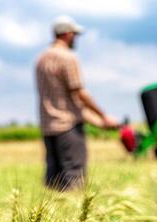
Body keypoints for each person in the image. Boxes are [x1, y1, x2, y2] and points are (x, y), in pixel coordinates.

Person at [35, 15, 118, 191]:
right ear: (66, 34)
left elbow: (61, 99)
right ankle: (72, 217)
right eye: (75, 34)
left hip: (48, 127)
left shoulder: (40, 60)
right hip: (68, 128)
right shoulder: (67, 57)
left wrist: (97, 122)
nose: (76, 39)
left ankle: (53, 216)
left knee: (54, 178)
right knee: (74, 176)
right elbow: (79, 94)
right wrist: (103, 116)